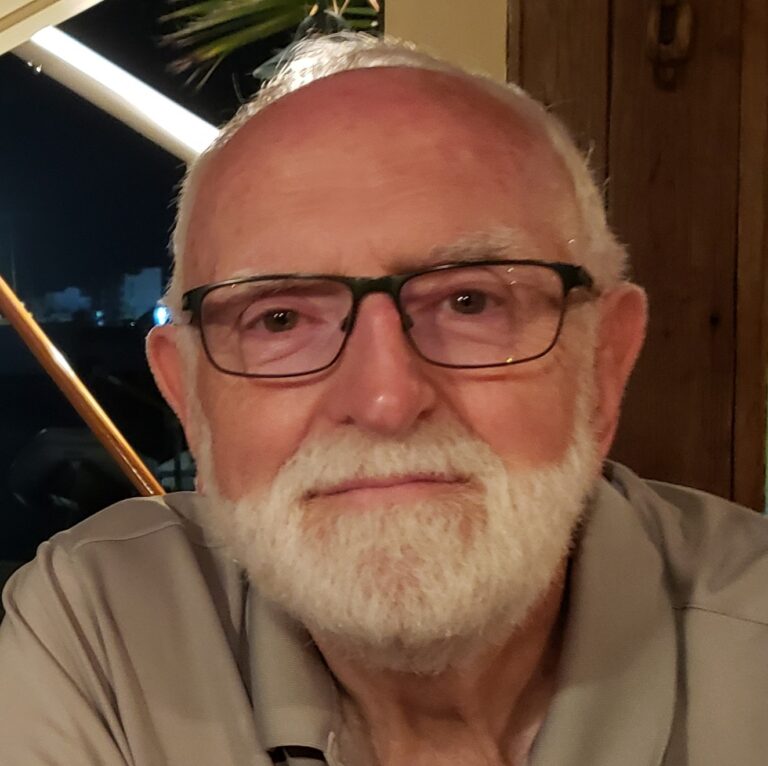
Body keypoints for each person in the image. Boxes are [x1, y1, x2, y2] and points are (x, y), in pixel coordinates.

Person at [1, 34, 767, 766]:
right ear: (188, 398)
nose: (385, 399)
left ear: (604, 365)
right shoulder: (102, 633)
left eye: (469, 302)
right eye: (279, 319)